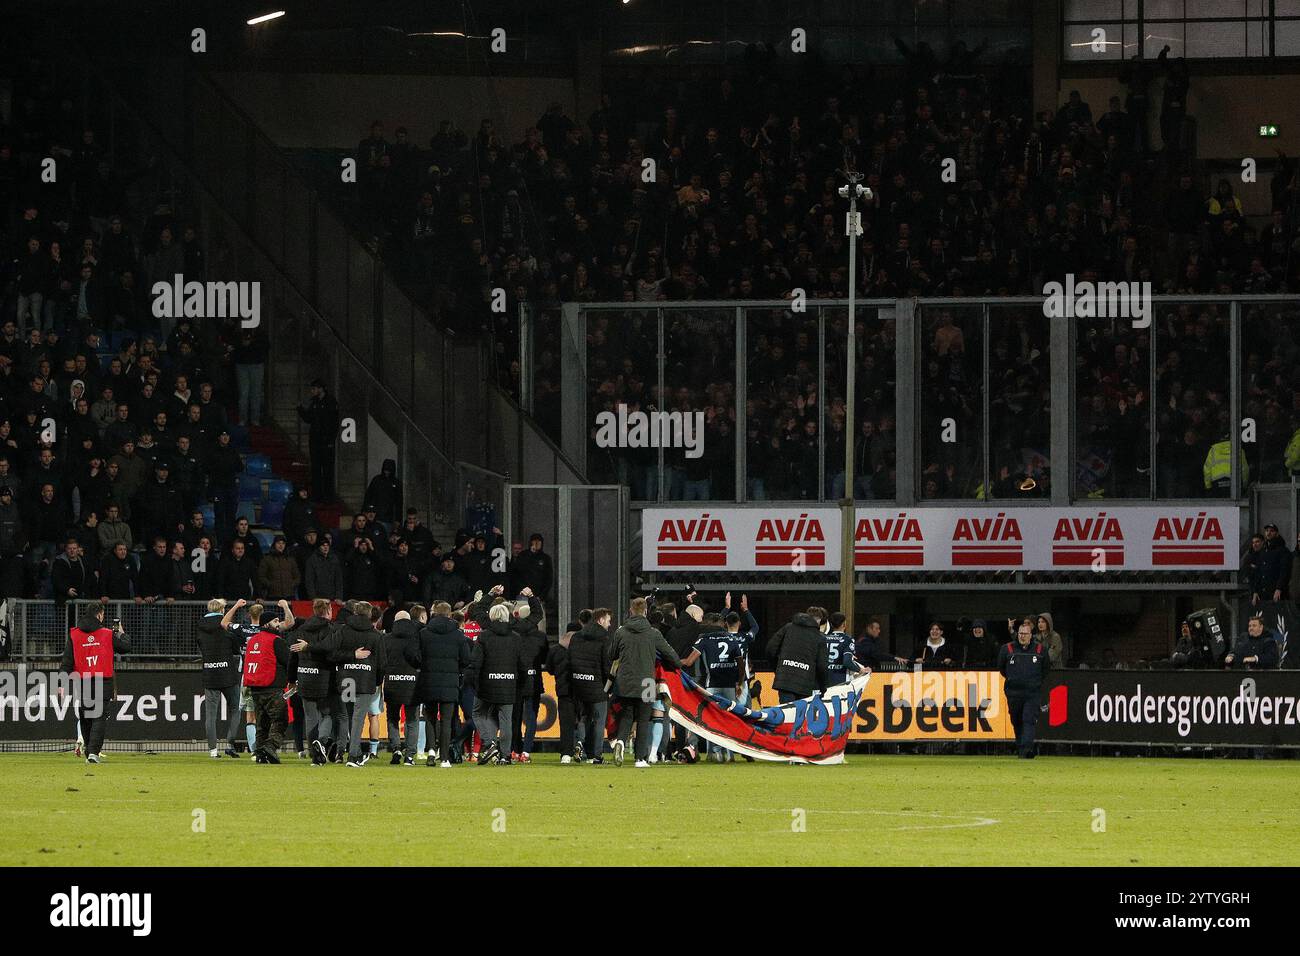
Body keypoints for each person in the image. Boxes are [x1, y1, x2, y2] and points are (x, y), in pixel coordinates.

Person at [609, 596, 681, 768]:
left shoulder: (621, 632)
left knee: (627, 714)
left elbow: (611, 655)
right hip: (647, 681)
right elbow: (673, 657)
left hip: (625, 680)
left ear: (631, 611)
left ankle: (620, 741)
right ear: (646, 612)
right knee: (643, 719)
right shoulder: (653, 633)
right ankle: (640, 759)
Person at [61, 603, 131, 764]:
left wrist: (62, 681)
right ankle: (93, 753)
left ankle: (89, 752)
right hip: (103, 680)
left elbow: (67, 660)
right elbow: (126, 647)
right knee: (99, 716)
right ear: (99, 615)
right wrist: (121, 633)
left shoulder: (74, 634)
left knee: (86, 717)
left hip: (83, 681)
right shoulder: (107, 634)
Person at [680, 610, 746, 762]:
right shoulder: (732, 638)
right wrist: (739, 683)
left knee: (712, 719)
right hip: (730, 685)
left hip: (712, 685)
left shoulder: (704, 638)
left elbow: (689, 662)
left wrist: (673, 660)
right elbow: (741, 665)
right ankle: (729, 755)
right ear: (722, 625)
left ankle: (714, 754)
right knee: (729, 719)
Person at [289, 598, 346, 764]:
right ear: (328, 611)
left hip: (304, 676)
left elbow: (293, 656)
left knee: (310, 717)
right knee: (327, 714)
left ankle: (315, 757)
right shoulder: (330, 629)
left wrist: (291, 679)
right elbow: (331, 652)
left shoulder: (300, 630)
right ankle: (320, 741)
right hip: (324, 677)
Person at [417, 601, 471, 767]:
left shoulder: (424, 633)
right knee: (447, 720)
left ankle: (431, 752)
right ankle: (445, 758)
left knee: (430, 718)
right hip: (450, 682)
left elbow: (417, 656)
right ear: (449, 615)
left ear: (434, 614)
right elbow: (466, 660)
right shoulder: (458, 635)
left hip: (429, 681)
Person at [332, 601, 383, 767]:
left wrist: (351, 655)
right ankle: (353, 754)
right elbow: (382, 663)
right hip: (366, 680)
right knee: (358, 717)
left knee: (347, 717)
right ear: (369, 615)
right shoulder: (376, 635)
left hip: (347, 679)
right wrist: (377, 681)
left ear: (354, 612)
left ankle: (342, 751)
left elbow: (332, 655)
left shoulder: (343, 631)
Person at [197, 597, 249, 758]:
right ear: (222, 610)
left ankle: (213, 751)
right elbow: (235, 647)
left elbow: (200, 644)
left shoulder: (200, 626)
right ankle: (230, 742)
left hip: (210, 672)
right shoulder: (226, 626)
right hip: (228, 674)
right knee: (235, 709)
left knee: (211, 714)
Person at [241, 602, 293, 764]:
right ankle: (270, 747)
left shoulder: (253, 640)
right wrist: (292, 680)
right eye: (276, 621)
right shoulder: (276, 641)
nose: (278, 624)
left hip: (255, 687)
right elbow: (288, 662)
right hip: (273, 687)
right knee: (280, 719)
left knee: (262, 723)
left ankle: (259, 753)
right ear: (266, 623)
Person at [471, 602, 521, 765]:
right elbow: (522, 663)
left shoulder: (484, 636)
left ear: (491, 617)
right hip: (508, 684)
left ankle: (489, 743)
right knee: (506, 720)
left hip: (487, 684)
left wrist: (476, 683)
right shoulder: (516, 637)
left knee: (479, 713)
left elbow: (477, 662)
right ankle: (505, 756)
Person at [997, 620, 1051, 759]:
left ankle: (1027, 749)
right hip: (1013, 692)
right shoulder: (1007, 649)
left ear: (1031, 635)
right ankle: (1021, 747)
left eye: (1025, 634)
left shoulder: (1040, 650)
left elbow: (1045, 669)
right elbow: (1002, 668)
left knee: (1028, 719)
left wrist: (1033, 682)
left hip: (1032, 693)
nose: (1022, 636)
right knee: (1016, 720)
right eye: (1020, 633)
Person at [569, 607, 612, 764]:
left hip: (579, 684)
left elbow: (571, 659)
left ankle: (580, 743)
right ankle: (597, 755)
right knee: (599, 721)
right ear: (600, 620)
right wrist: (610, 686)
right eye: (608, 620)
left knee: (583, 717)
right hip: (597, 686)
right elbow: (606, 666)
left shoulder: (576, 637)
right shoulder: (604, 639)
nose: (609, 624)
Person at [382, 604, 423, 764]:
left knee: (392, 718)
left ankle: (396, 748)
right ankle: (410, 755)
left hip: (392, 683)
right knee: (412, 719)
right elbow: (419, 660)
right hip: (412, 684)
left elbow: (382, 662)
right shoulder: (416, 638)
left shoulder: (386, 639)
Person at [511, 592, 547, 763]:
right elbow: (545, 658)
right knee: (531, 715)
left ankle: (515, 750)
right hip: (534, 678)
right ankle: (526, 751)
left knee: (515, 716)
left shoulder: (513, 635)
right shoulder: (540, 636)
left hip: (517, 680)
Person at [767, 606, 829, 703]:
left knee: (786, 713)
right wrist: (823, 687)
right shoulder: (820, 637)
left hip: (785, 680)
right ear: (819, 620)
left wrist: (778, 668)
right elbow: (822, 666)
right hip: (804, 683)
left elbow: (770, 649)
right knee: (799, 715)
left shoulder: (788, 627)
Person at [298, 379, 340, 503]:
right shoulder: (314, 402)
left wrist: (331, 440)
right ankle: (317, 495)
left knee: (327, 470)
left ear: (321, 388)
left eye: (314, 389)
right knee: (316, 469)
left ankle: (328, 496)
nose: (312, 391)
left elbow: (334, 423)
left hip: (326, 441)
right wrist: (300, 409)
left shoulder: (331, 402)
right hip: (315, 441)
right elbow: (309, 418)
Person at [823, 611, 868, 687]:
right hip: (840, 680)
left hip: (823, 680)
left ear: (830, 624)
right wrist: (860, 670)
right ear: (844, 624)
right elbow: (847, 661)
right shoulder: (847, 639)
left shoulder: (824, 638)